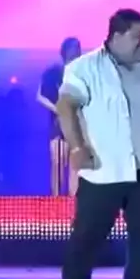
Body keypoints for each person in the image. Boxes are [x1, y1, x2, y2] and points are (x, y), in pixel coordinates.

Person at [56, 9, 140, 279]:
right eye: (137, 37)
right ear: (116, 36)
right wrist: (77, 147)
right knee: (86, 240)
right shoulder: (84, 67)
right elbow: (66, 107)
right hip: (104, 171)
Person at [37, 37, 82, 196]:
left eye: (77, 50)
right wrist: (57, 109)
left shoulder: (83, 74)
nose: (75, 54)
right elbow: (40, 96)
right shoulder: (53, 73)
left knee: (75, 168)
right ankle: (56, 203)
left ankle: (73, 202)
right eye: (72, 50)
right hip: (59, 127)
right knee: (58, 163)